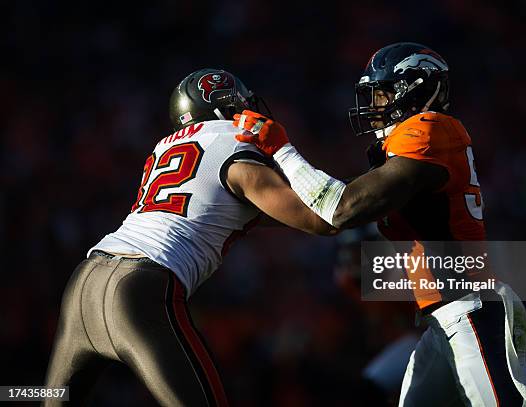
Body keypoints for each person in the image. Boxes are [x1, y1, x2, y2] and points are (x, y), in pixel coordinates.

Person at [234, 42, 526, 406]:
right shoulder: (409, 147)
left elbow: (342, 208)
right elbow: (333, 213)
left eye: (382, 95)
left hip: (468, 308)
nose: (375, 106)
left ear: (414, 90)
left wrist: (282, 151)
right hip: (442, 319)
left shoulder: (430, 128)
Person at [43, 68, 336, 407]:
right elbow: (320, 216)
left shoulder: (163, 147)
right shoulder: (234, 139)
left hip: (85, 280)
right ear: (223, 105)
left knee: (50, 397)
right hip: (140, 287)